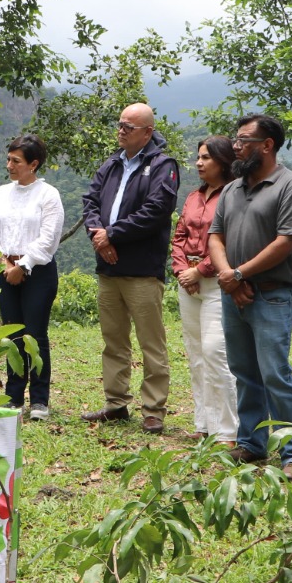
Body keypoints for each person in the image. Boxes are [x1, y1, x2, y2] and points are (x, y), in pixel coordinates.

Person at [207, 115, 292, 462]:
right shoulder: (233, 189)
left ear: (267, 145)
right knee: (244, 372)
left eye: (244, 141)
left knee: (274, 374)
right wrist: (229, 277)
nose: (236, 147)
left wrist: (238, 275)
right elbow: (215, 236)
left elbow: (286, 242)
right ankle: (252, 444)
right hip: (233, 294)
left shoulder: (290, 186)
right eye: (236, 140)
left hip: (271, 295)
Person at [79, 103, 180, 434]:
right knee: (114, 339)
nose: (121, 130)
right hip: (108, 270)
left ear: (147, 132)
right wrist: (98, 234)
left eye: (128, 126)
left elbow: (156, 210)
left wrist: (113, 234)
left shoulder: (162, 166)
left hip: (142, 271)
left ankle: (153, 409)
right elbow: (90, 201)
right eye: (119, 125)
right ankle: (116, 403)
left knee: (151, 342)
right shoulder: (111, 164)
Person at [0, 134, 64, 420]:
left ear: (34, 164)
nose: (9, 165)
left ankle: (39, 400)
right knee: (12, 334)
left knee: (35, 334)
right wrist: (4, 262)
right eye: (9, 159)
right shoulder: (3, 193)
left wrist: (23, 266)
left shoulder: (48, 195)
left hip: (38, 272)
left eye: (16, 161)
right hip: (4, 269)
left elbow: (48, 239)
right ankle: (14, 396)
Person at [172, 135, 239, 446]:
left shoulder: (233, 196)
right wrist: (182, 271)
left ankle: (228, 430)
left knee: (216, 353)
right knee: (196, 353)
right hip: (188, 284)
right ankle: (204, 423)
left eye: (206, 158)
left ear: (223, 162)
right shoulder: (193, 197)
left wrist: (199, 270)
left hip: (216, 284)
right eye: (198, 157)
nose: (199, 163)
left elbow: (230, 242)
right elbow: (179, 236)